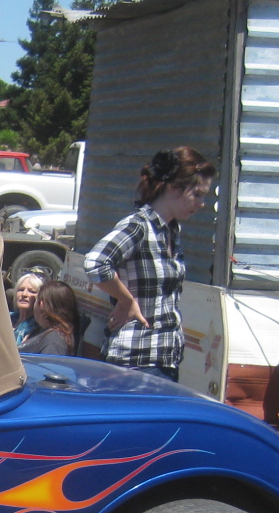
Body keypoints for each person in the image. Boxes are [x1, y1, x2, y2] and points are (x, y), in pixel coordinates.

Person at [82, 147, 217, 382]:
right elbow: (96, 263)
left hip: (163, 359)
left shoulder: (170, 230)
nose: (202, 203)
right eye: (197, 194)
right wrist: (127, 300)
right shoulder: (139, 226)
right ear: (173, 188)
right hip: (136, 361)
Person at [20, 280, 78, 357]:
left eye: (35, 300)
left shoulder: (54, 342)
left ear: (41, 304)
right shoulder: (40, 332)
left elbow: (47, 368)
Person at [12, 271, 44, 346]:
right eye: (21, 290)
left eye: (31, 291)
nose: (24, 294)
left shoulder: (36, 328)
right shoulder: (7, 317)